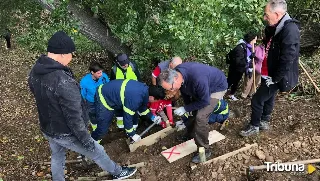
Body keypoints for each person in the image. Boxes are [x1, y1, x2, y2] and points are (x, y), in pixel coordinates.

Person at [27, 31, 137, 180]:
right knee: (97, 151)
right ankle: (118, 172)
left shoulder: (35, 71)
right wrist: (87, 141)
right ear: (62, 54)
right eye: (71, 53)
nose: (72, 57)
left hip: (48, 127)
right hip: (65, 132)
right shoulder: (63, 81)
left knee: (57, 156)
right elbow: (74, 117)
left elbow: (36, 92)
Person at [240, 0, 300, 136]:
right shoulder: (277, 26)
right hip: (269, 70)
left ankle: (254, 126)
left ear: (277, 14)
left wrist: (275, 79)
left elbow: (288, 58)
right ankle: (264, 120)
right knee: (270, 96)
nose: (264, 18)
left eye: (267, 15)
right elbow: (270, 45)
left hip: (276, 75)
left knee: (257, 99)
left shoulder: (289, 30)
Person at [158, 62, 228, 163]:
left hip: (216, 87)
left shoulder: (198, 79)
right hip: (202, 88)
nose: (171, 91)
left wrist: (185, 108)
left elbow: (205, 101)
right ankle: (191, 134)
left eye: (171, 88)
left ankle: (205, 149)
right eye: (168, 89)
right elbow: (184, 90)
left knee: (201, 117)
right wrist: (187, 108)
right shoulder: (178, 72)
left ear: (176, 79)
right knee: (191, 112)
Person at [91, 79, 162, 143]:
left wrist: (153, 117)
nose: (154, 102)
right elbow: (127, 117)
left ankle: (123, 131)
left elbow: (142, 109)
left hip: (113, 95)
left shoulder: (144, 90)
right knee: (103, 128)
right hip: (103, 98)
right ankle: (91, 144)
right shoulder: (135, 98)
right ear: (152, 97)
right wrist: (132, 134)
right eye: (155, 101)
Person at [227, 32, 257, 101]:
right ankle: (220, 94)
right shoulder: (240, 47)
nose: (255, 42)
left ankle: (231, 94)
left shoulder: (248, 47)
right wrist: (249, 57)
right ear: (250, 39)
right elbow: (238, 61)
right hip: (234, 68)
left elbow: (248, 60)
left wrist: (250, 69)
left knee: (236, 82)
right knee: (230, 81)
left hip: (241, 69)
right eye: (254, 40)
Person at [80, 61, 110, 131]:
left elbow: (108, 86)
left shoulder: (104, 77)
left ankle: (104, 126)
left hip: (102, 100)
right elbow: (82, 94)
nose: (101, 74)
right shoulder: (84, 82)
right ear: (92, 72)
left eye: (101, 72)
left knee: (103, 113)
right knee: (93, 115)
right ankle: (95, 128)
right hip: (91, 102)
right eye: (98, 73)